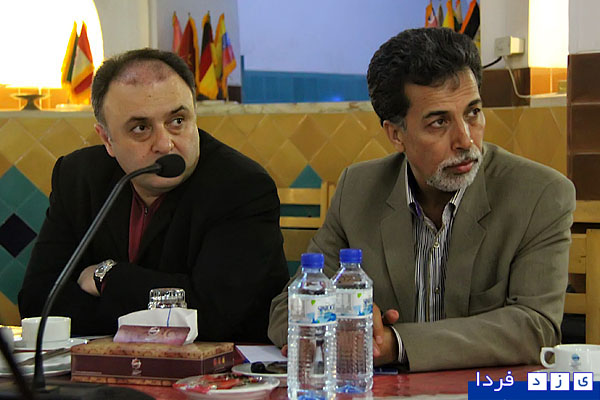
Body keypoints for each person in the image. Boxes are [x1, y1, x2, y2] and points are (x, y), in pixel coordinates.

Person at [268, 28, 575, 371]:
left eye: (473, 113)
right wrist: (342, 325)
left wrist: (396, 344)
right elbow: (286, 309)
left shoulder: (540, 194)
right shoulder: (358, 189)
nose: (465, 140)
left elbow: (536, 327)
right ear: (396, 134)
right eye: (439, 122)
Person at [19, 48, 289, 342]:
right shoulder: (78, 177)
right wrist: (164, 306)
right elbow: (39, 302)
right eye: (141, 128)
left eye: (177, 121)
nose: (165, 144)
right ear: (107, 139)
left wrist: (108, 277)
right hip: (104, 364)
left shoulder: (242, 187)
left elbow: (214, 316)